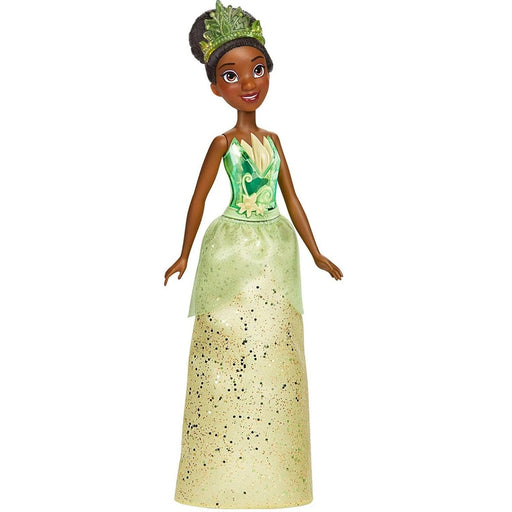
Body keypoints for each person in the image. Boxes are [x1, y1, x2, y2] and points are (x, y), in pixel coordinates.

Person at [164, 1, 342, 507]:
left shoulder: (275, 140)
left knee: (276, 350)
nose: (248, 82)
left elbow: (293, 198)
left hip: (277, 250)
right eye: (231, 74)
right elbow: (198, 199)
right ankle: (218, 476)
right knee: (227, 349)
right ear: (216, 88)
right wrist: (183, 254)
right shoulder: (222, 144)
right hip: (231, 249)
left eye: (257, 69)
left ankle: (276, 476)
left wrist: (316, 252)